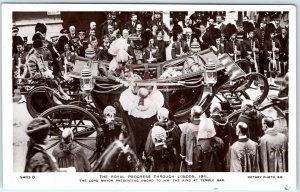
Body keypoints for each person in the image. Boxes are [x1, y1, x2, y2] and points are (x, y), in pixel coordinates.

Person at [144, 107, 182, 172]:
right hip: (173, 157)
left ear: (158, 117)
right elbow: (180, 141)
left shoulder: (154, 130)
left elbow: (148, 148)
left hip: (159, 159)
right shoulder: (175, 127)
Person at [180, 106, 204, 172]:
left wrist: (183, 155)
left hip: (191, 155)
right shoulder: (205, 125)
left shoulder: (187, 127)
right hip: (204, 154)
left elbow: (183, 143)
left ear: (192, 114)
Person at [264, 23, 282, 87]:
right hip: (269, 56)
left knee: (274, 69)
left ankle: (273, 81)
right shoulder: (266, 41)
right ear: (269, 34)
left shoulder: (277, 40)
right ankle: (269, 81)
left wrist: (276, 49)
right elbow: (265, 50)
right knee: (268, 70)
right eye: (271, 34)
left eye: (273, 34)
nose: (272, 35)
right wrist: (269, 57)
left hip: (275, 56)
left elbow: (280, 48)